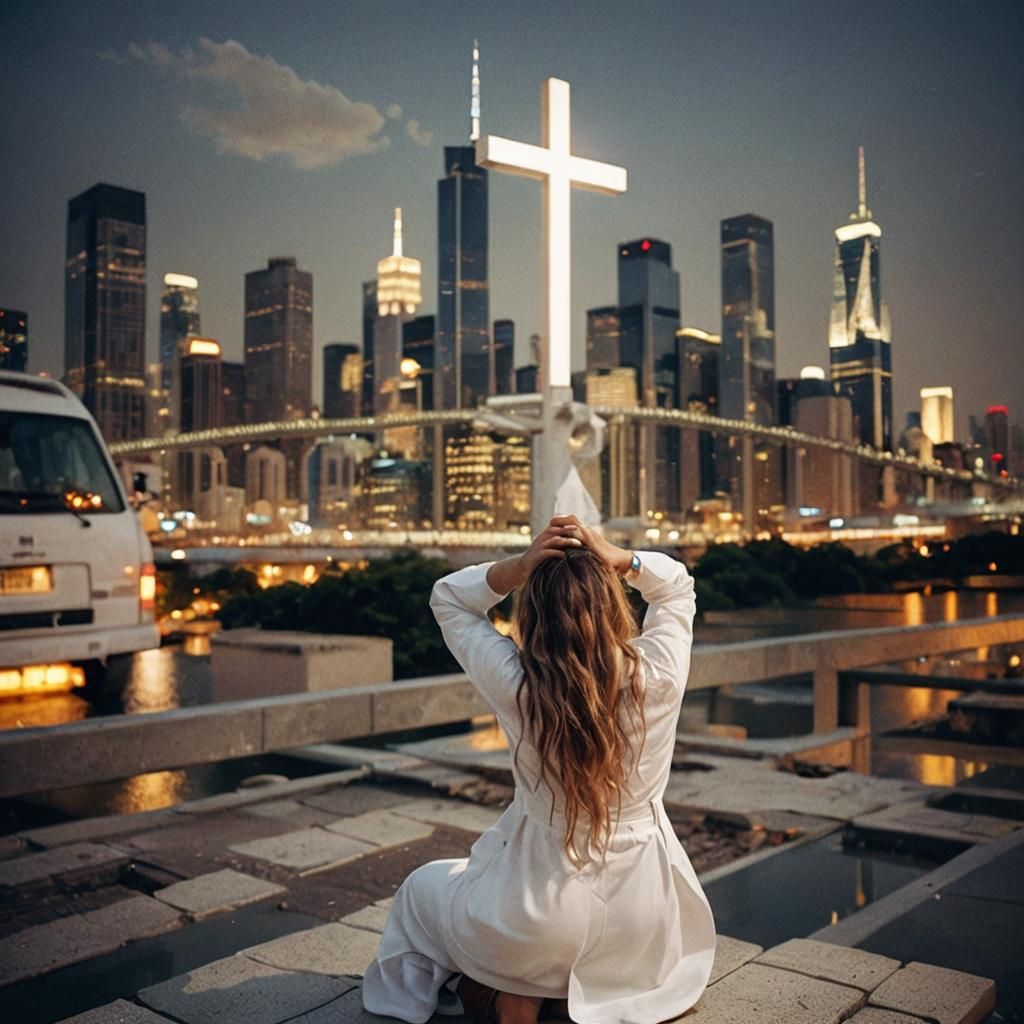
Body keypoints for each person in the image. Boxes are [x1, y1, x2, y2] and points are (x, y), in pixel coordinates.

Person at [362, 514, 716, 1024]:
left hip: (536, 922)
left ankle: (512, 989)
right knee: (549, 936)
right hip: (641, 927)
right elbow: (678, 587)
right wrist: (621, 558)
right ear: (611, 602)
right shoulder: (657, 673)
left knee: (424, 888)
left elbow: (449, 597)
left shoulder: (517, 684)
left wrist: (519, 567)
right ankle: (533, 991)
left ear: (534, 615)